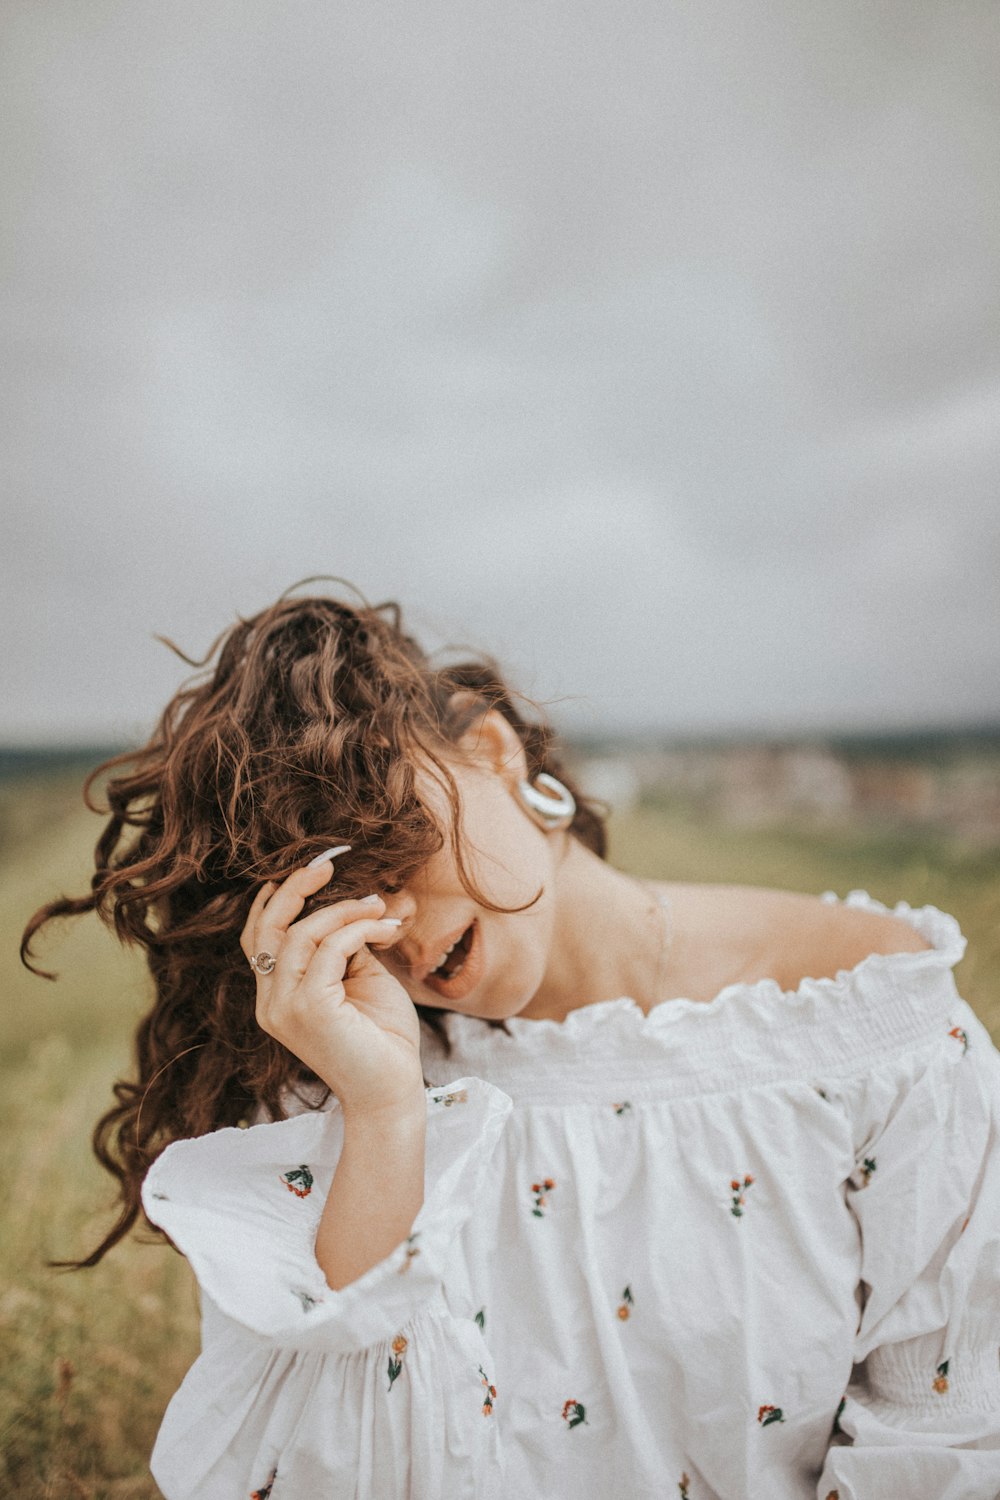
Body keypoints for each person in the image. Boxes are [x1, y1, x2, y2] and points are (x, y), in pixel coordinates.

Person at [21, 584, 1000, 1500]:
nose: (395, 928)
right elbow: (333, 1464)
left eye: (390, 848)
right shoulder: (340, 1093)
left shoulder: (874, 1017)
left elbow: (947, 1428)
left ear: (492, 755)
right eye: (336, 901)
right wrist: (385, 1112)